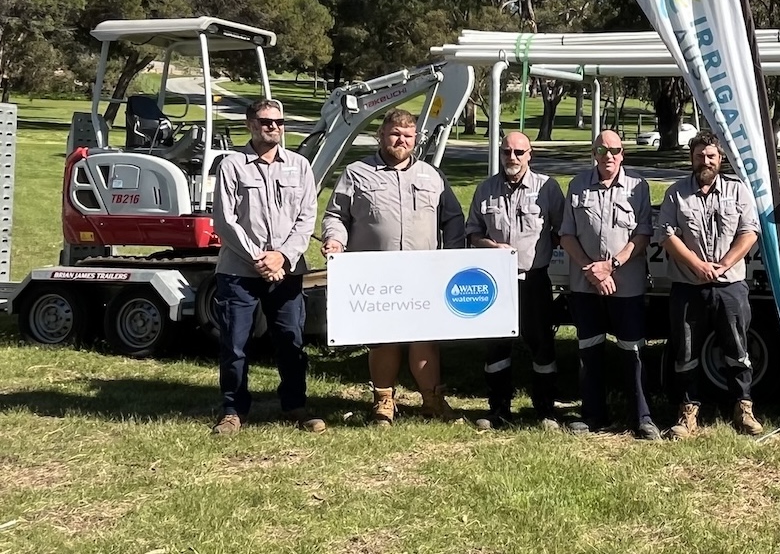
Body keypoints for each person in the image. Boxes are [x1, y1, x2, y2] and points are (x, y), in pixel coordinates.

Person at [321, 108, 466, 425]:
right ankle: (384, 402)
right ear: (381, 136)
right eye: (395, 134)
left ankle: (433, 401)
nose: (401, 140)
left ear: (415, 140)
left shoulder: (431, 176)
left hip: (423, 273)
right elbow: (336, 216)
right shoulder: (357, 173)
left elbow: (453, 218)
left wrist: (453, 255)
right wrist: (335, 241)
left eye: (408, 135)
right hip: (376, 275)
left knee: (424, 338)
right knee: (383, 338)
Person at [209, 99, 322, 435]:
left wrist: (283, 257)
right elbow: (225, 222)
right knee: (235, 344)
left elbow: (306, 218)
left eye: (278, 121)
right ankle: (233, 411)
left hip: (287, 271)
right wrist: (261, 258)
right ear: (250, 124)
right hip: (240, 272)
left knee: (291, 341)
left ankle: (295, 406)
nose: (273, 126)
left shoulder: (300, 166)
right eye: (265, 121)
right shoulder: (232, 165)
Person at [658, 130, 763, 438]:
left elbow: (749, 232)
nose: (705, 160)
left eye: (711, 156)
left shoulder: (737, 191)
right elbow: (666, 234)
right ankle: (687, 413)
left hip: (730, 285)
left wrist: (724, 264)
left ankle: (743, 408)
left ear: (721, 160)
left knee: (738, 349)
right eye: (700, 155)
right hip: (688, 285)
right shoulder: (676, 193)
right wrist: (698, 265)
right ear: (692, 158)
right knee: (685, 351)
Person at [558, 129, 658, 439]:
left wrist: (611, 266)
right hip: (585, 284)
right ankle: (593, 416)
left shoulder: (638, 187)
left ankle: (642, 417)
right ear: (594, 153)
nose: (608, 155)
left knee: (634, 353)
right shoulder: (577, 185)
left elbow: (641, 235)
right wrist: (592, 270)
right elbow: (566, 235)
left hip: (625, 284)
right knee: (589, 350)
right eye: (602, 150)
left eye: (614, 149)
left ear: (622, 154)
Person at [465, 131, 565, 430]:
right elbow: (472, 233)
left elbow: (562, 232)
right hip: (496, 282)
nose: (512, 157)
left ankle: (545, 410)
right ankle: (499, 409)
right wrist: (491, 247)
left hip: (534, 280)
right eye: (507, 151)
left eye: (519, 152)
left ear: (529, 154)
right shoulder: (486, 189)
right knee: (496, 347)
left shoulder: (548, 189)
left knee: (542, 345)